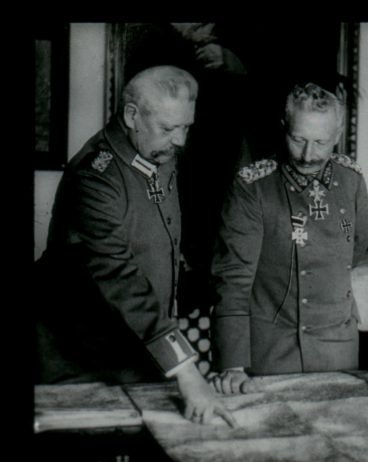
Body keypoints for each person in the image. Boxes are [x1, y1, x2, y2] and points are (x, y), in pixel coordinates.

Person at [34, 65, 236, 426]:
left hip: (136, 351)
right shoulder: (94, 178)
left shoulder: (156, 150)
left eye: (186, 127)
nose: (181, 141)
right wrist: (187, 371)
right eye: (169, 129)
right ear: (131, 115)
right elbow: (120, 276)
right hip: (80, 361)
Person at [209, 80, 368, 394]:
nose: (308, 155)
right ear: (283, 126)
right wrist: (232, 363)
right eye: (298, 139)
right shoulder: (253, 186)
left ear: (338, 135)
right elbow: (232, 277)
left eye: (321, 142)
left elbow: (357, 248)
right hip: (273, 347)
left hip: (338, 345)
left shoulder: (351, 179)